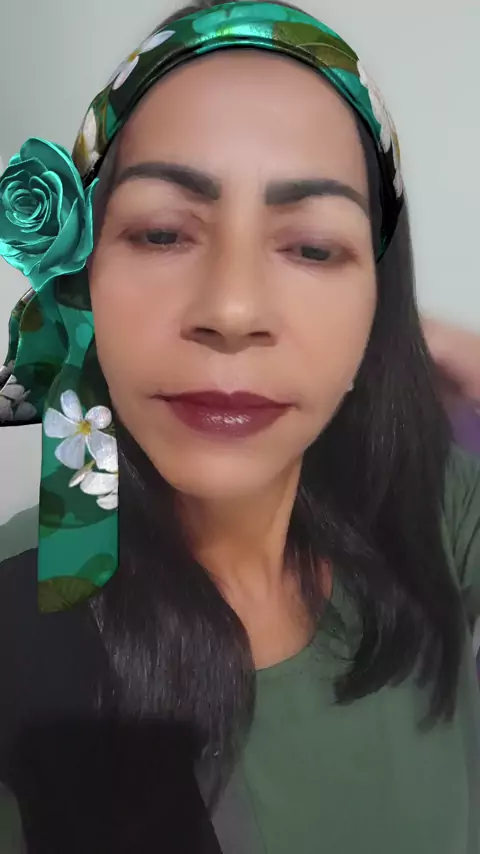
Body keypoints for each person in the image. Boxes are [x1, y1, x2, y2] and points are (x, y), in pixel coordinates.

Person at [0, 1, 479, 852]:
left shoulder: (432, 512)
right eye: (160, 233)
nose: (231, 309)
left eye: (313, 248)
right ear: (80, 280)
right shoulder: (21, 612)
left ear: (376, 306)